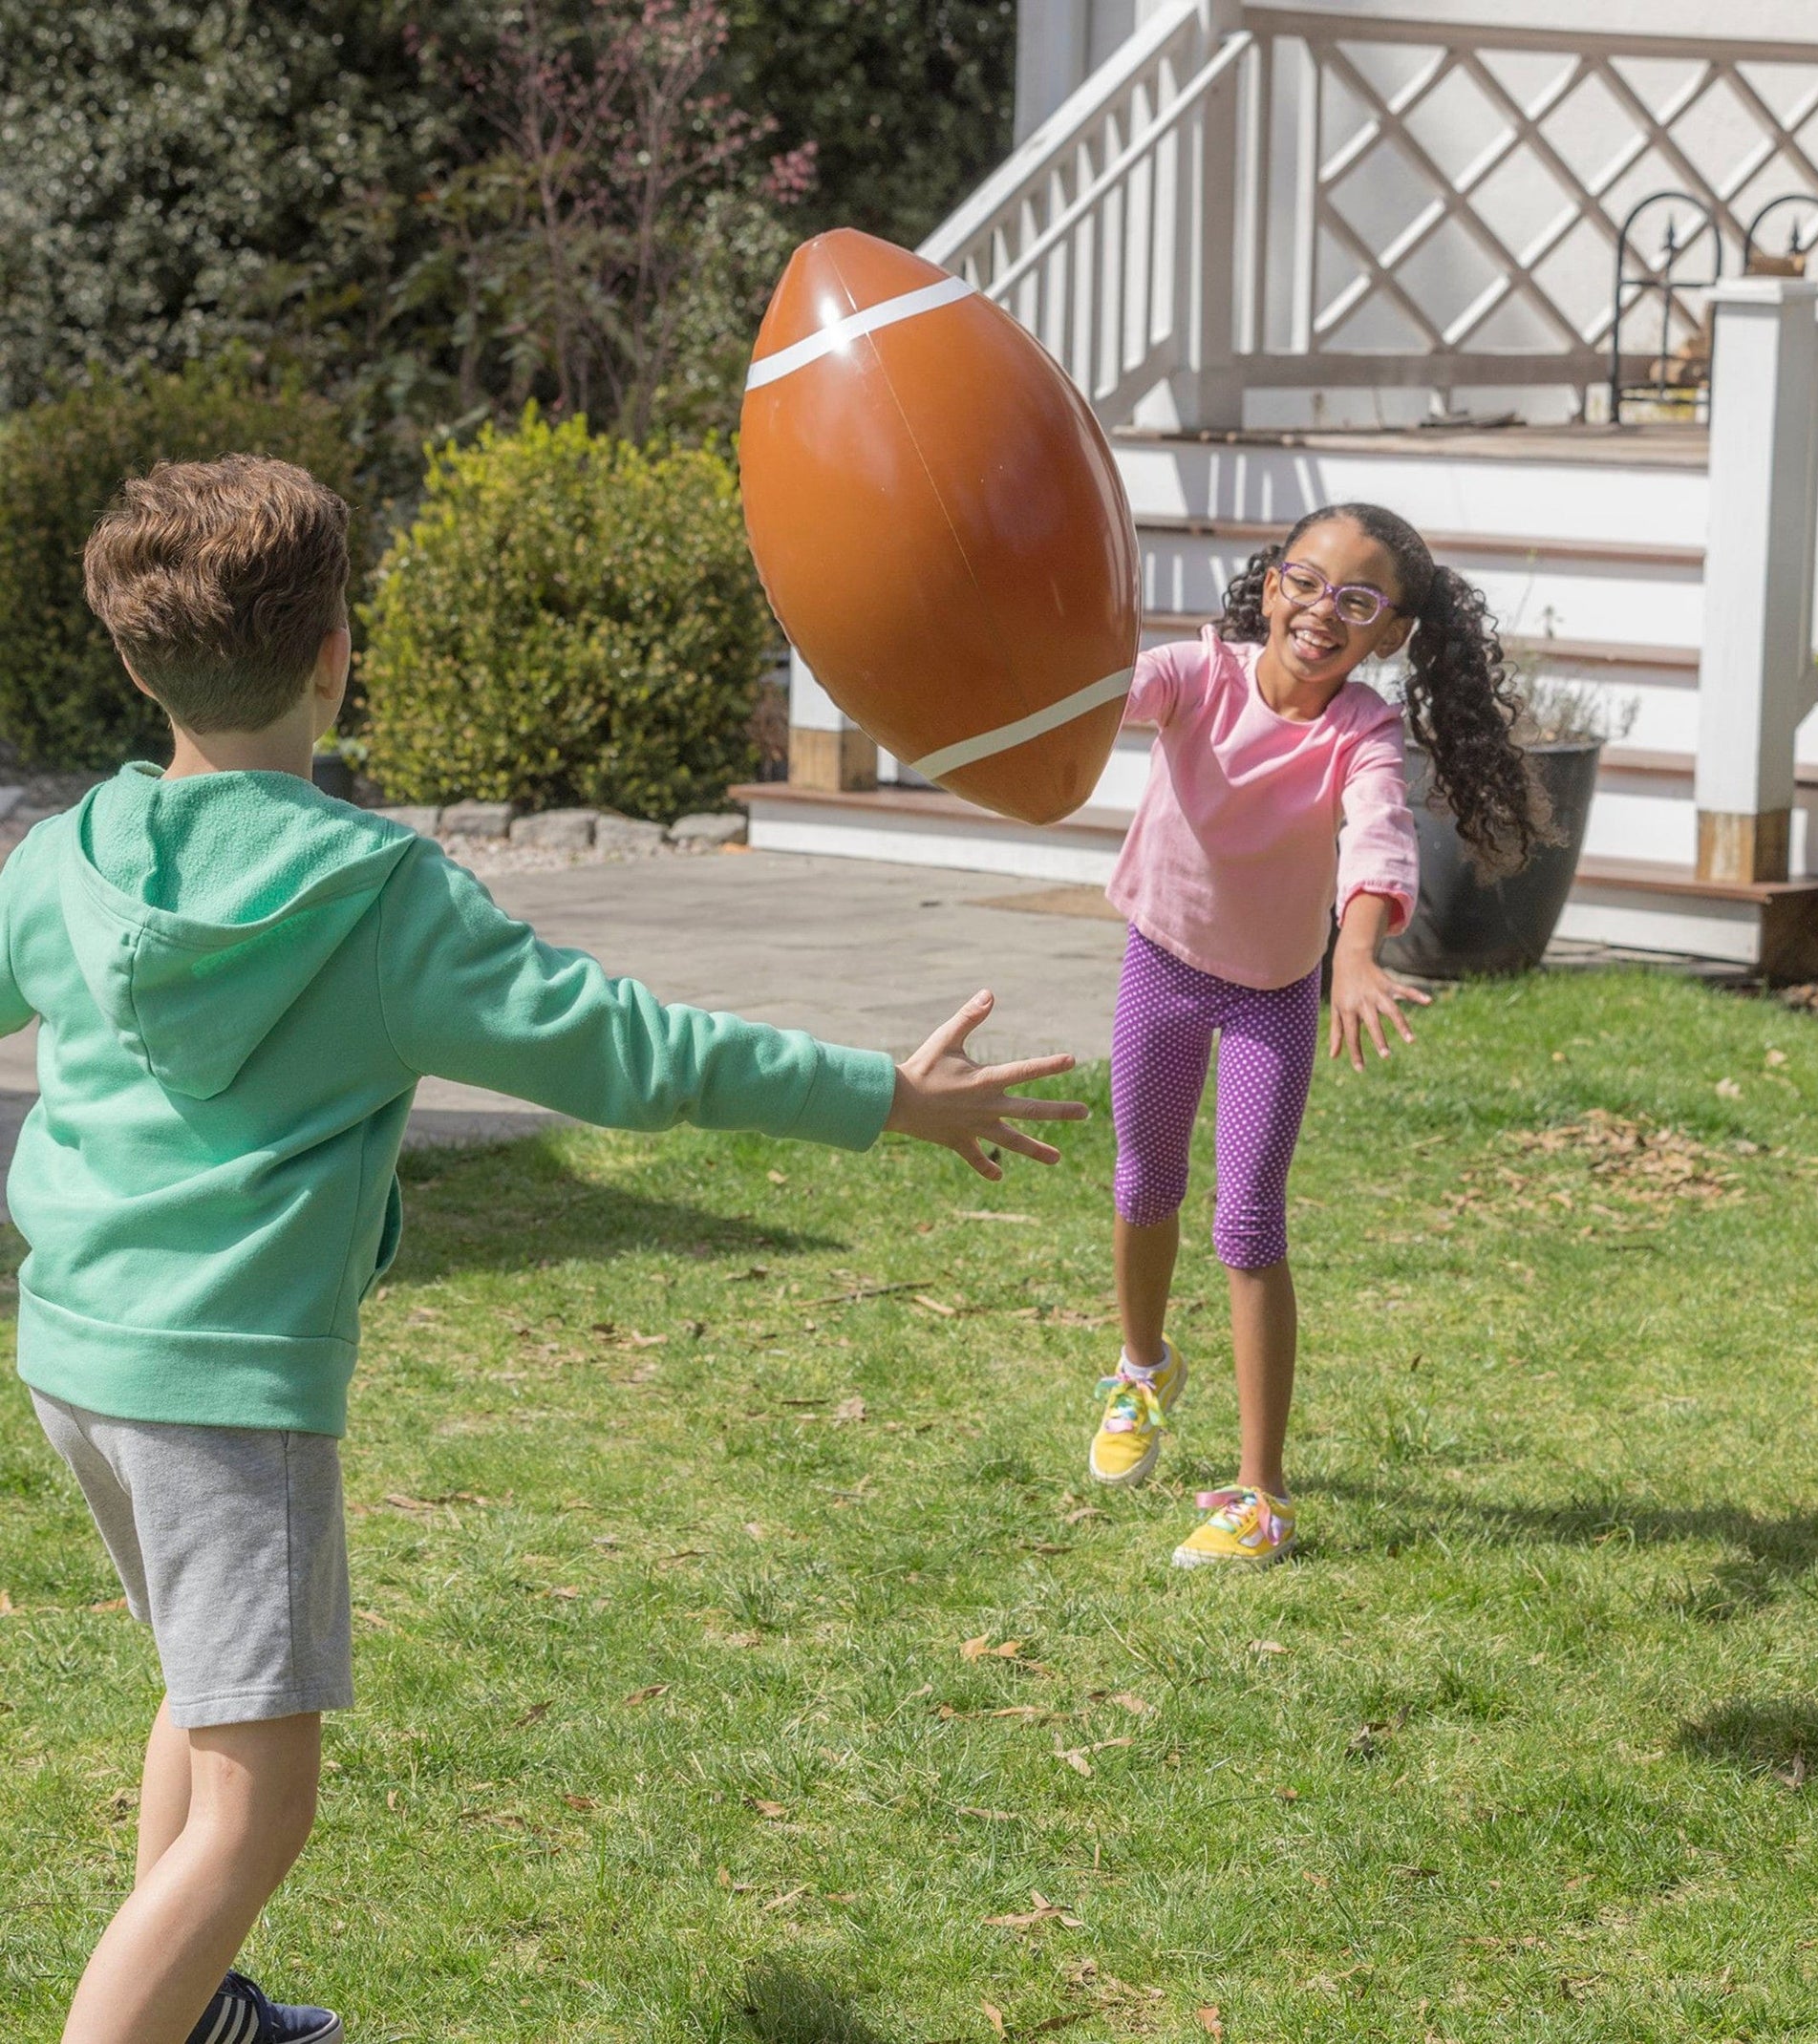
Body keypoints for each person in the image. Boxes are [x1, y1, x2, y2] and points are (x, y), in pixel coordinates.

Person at [14, 455, 1084, 2044]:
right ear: (333, 656)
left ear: (128, 655)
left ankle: (201, 2016)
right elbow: (635, 1054)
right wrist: (887, 1098)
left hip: (76, 1362)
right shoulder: (383, 905)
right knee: (261, 1806)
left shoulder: (61, 859)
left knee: (206, 1686)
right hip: (222, 1397)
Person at [1087, 501, 1547, 1568]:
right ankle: (1143, 1369)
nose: (1319, 610)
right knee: (1142, 1182)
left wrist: (1354, 953)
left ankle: (1260, 1496)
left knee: (1246, 1222)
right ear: (1270, 581)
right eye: (1303, 579)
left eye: (1356, 599)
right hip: (1158, 959)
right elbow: (1107, 691)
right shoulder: (1197, 675)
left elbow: (1377, 836)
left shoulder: (1362, 732)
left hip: (1269, 996)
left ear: (1387, 632)